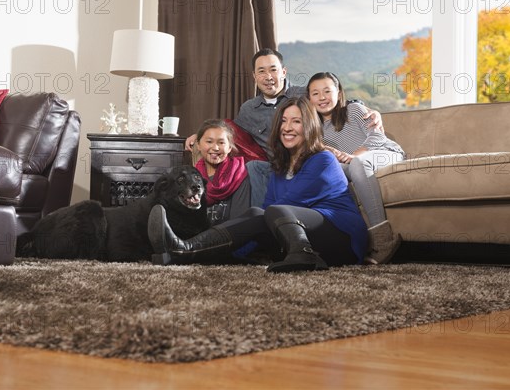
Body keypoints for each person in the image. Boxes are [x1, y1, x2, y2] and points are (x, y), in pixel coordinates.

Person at [149, 96, 368, 272]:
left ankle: (305, 255)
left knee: (272, 211)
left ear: (309, 126)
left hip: (341, 237)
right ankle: (184, 249)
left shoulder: (323, 160)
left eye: (296, 121)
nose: (287, 127)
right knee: (258, 212)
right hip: (297, 237)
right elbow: (264, 216)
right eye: (283, 120)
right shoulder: (279, 168)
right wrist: (231, 250)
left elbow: (281, 208)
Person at [184, 48, 382, 207]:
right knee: (250, 167)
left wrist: (367, 108)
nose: (268, 76)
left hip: (309, 162)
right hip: (277, 166)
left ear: (284, 72)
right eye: (261, 71)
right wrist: (201, 135)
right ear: (254, 76)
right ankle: (253, 228)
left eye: (273, 69)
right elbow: (230, 131)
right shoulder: (249, 110)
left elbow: (330, 100)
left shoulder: (303, 94)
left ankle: (267, 228)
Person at [307, 72, 406, 264]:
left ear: (339, 92)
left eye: (327, 91)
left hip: (384, 153)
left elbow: (377, 137)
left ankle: (383, 240)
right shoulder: (315, 129)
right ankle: (350, 241)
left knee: (358, 164)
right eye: (315, 93)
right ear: (309, 98)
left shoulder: (354, 109)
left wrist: (354, 156)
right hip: (352, 165)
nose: (322, 98)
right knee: (329, 173)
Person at [193, 119, 250, 225]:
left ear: (229, 148)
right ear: (198, 145)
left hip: (228, 236)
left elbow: (238, 221)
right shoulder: (192, 177)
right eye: (209, 142)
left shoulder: (239, 174)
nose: (215, 148)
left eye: (221, 142)